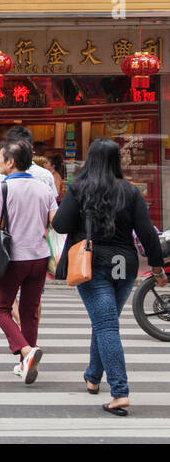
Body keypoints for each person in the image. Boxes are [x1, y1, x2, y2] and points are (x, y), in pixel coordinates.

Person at [54, 139, 167, 415]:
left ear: (90, 160)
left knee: (105, 325)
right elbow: (147, 233)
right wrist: (158, 268)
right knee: (106, 321)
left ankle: (120, 392)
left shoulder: (80, 188)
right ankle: (93, 376)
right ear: (117, 161)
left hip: (92, 264)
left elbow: (59, 224)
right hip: (125, 266)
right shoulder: (130, 191)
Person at [0, 139, 56, 384]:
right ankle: (26, 364)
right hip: (39, 257)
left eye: (0, 158)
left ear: (11, 162)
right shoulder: (44, 188)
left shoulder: (2, 188)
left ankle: (25, 351)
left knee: (0, 308)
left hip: (13, 258)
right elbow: (55, 222)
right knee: (29, 311)